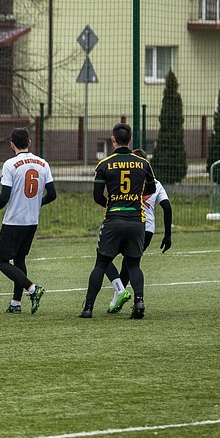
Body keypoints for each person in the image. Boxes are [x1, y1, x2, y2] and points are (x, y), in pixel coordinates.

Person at [79, 123, 156, 319]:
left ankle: (88, 308)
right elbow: (151, 189)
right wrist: (134, 198)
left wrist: (111, 203)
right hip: (137, 220)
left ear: (113, 140)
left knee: (101, 263)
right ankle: (139, 302)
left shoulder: (104, 164)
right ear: (130, 140)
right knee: (133, 264)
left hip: (114, 219)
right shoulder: (143, 164)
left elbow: (97, 196)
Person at [0, 127, 55, 315]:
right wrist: (36, 203)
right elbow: (52, 194)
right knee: (19, 259)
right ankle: (16, 303)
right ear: (29, 143)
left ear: (12, 144)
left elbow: (4, 196)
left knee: (1, 260)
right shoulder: (43, 163)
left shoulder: (10, 164)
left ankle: (32, 288)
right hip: (32, 221)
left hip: (14, 221)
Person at [105, 149, 172, 313]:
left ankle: (119, 292)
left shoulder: (130, 180)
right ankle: (127, 300)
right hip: (147, 230)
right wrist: (167, 235)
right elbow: (167, 207)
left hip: (127, 222)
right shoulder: (156, 184)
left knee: (104, 259)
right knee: (131, 264)